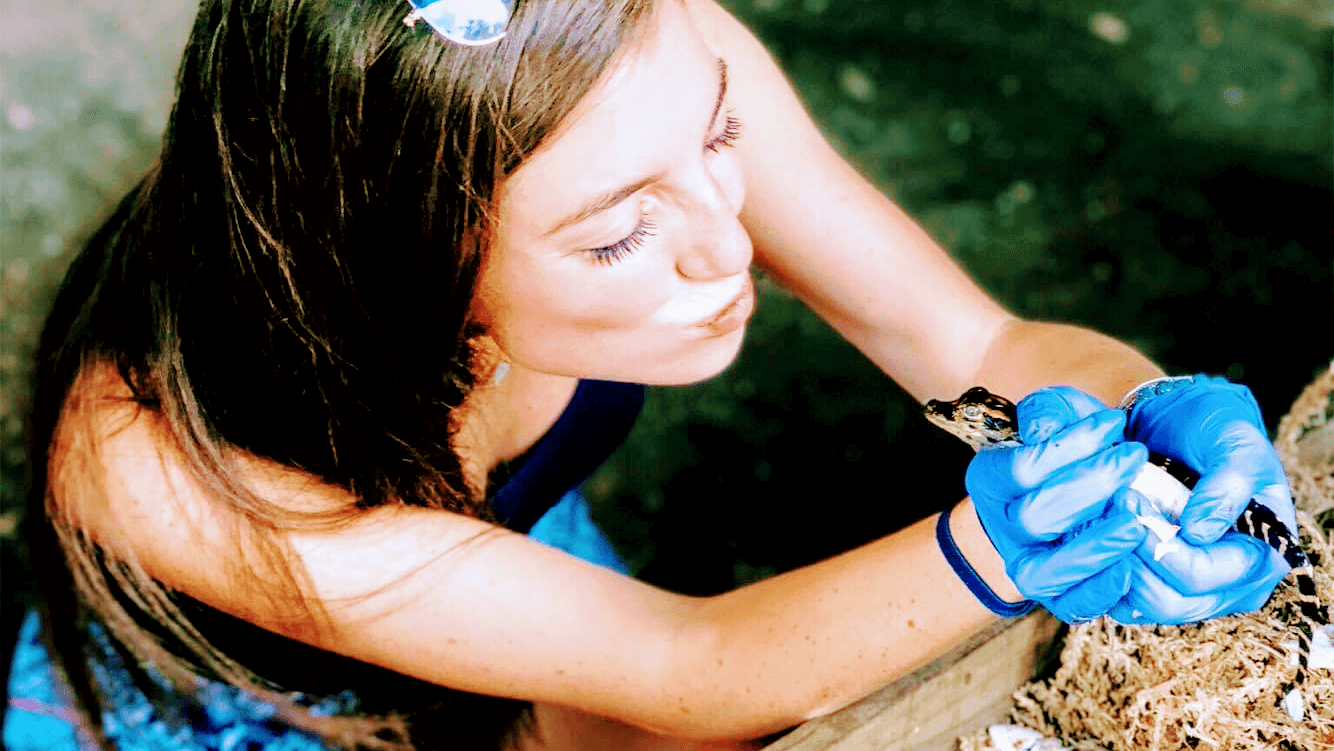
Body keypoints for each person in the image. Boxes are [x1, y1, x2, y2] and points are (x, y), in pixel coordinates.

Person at [1, 0, 1296, 748]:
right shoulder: (164, 471)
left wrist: (1142, 412)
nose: (730, 247)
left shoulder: (647, 68)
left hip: (511, 553)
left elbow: (974, 347)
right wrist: (997, 551)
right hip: (253, 697)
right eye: (620, 233)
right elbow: (691, 660)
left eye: (723, 139)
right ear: (409, 272)